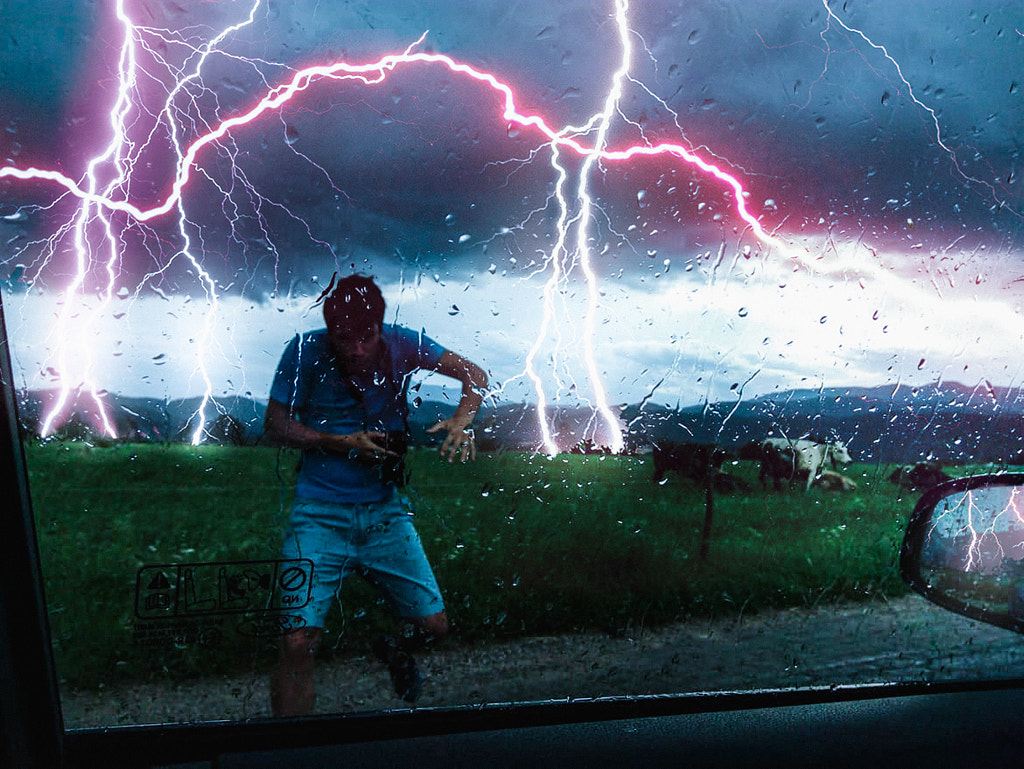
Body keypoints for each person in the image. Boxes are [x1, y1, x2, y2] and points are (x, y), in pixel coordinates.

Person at [265, 273, 488, 716]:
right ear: (330, 330)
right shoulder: (305, 351)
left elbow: (474, 375)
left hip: (385, 510)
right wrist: (340, 443)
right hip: (319, 513)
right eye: (343, 338)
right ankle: (289, 751)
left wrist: (462, 421)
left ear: (380, 328)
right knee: (296, 640)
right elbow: (275, 425)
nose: (354, 348)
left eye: (365, 337)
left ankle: (394, 648)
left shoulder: (402, 343)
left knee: (433, 626)